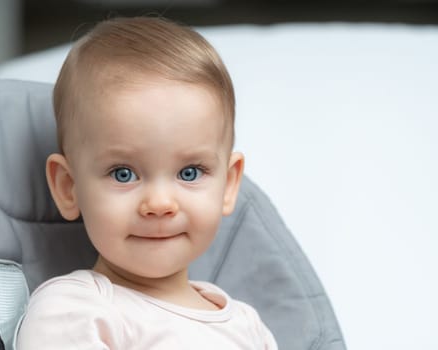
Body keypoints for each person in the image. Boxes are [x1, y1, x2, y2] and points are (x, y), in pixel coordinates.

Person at [16, 16, 277, 349]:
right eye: (123, 173)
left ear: (228, 185)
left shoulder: (248, 325)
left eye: (190, 172)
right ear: (69, 188)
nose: (159, 204)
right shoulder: (75, 310)